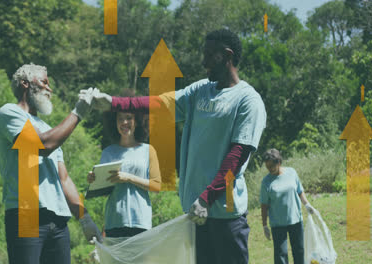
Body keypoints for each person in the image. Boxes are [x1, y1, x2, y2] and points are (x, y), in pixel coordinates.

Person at [84, 28, 267, 263]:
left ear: (227, 55)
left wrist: (207, 198)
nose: (203, 62)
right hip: (196, 216)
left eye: (209, 55)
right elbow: (161, 103)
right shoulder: (200, 91)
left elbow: (237, 156)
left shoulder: (247, 100)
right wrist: (114, 102)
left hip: (225, 214)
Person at [0, 63, 102, 264]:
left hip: (58, 223)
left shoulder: (48, 129)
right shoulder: (9, 113)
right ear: (25, 84)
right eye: (44, 82)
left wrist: (85, 218)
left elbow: (64, 178)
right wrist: (78, 113)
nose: (49, 89)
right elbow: (42, 146)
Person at [87, 111, 161, 237]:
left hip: (141, 222)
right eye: (120, 119)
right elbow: (104, 192)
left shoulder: (148, 150)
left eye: (129, 118)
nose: (124, 122)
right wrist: (94, 180)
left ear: (137, 121)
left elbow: (156, 186)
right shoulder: (108, 152)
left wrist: (129, 178)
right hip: (114, 222)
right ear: (114, 123)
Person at [260, 148, 316, 264]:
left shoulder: (292, 172)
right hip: (278, 223)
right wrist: (264, 225)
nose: (269, 169)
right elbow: (264, 205)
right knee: (281, 254)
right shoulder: (266, 182)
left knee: (299, 250)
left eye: (272, 166)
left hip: (295, 219)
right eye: (267, 167)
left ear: (279, 162)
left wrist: (306, 204)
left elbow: (299, 191)